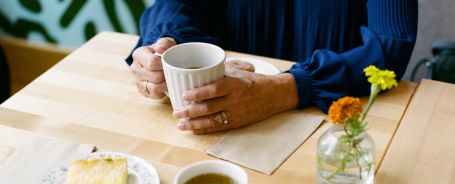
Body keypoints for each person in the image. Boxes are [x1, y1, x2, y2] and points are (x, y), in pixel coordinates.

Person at [126, 0, 417, 134]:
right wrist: (163, 42)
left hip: (334, 127)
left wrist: (289, 88)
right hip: (221, 124)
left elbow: (391, 43)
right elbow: (180, 4)